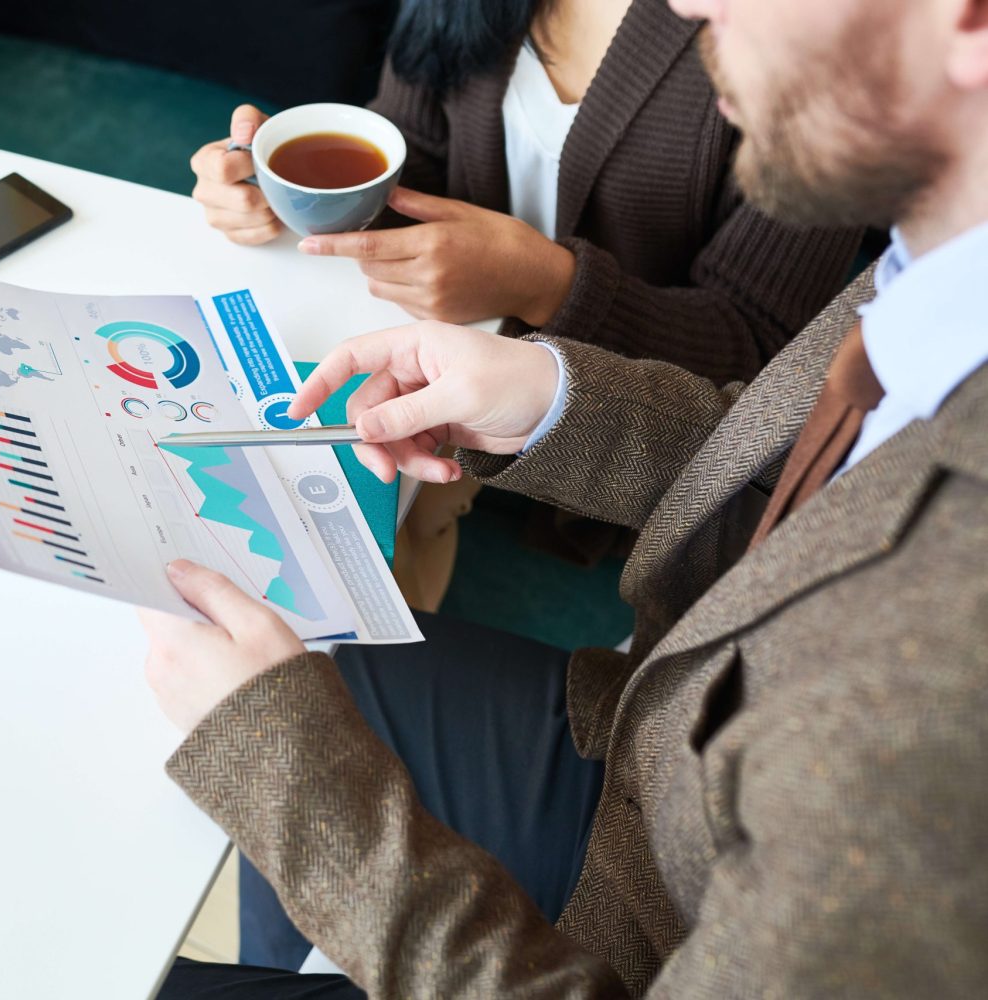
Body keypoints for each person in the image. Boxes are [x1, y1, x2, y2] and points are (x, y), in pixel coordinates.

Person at [146, 0, 988, 995]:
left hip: (644, 920)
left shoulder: (938, 686)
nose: (688, 8)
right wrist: (548, 399)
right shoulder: (937, 267)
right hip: (647, 732)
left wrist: (298, 782)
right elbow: (810, 474)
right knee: (306, 639)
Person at [195, 0, 865, 629]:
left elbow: (763, 358)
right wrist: (288, 195)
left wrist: (543, 285)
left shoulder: (802, 33)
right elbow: (413, 153)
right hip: (425, 361)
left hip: (592, 442)